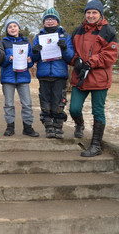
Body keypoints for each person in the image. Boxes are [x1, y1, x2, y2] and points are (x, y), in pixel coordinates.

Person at [69, 0, 118, 157]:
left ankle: (96, 145)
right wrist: (75, 60)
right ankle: (80, 124)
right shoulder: (78, 31)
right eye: (88, 13)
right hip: (80, 78)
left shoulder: (108, 32)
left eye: (94, 13)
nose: (90, 15)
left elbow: (111, 55)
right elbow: (72, 51)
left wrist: (92, 61)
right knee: (74, 108)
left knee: (98, 111)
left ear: (100, 14)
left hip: (99, 79)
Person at [32, 8, 74, 139]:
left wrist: (65, 48)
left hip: (59, 75)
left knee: (59, 102)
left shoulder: (65, 36)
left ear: (57, 21)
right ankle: (48, 126)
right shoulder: (38, 37)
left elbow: (70, 57)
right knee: (45, 102)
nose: (50, 21)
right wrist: (35, 51)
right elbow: (33, 59)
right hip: (44, 75)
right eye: (47, 19)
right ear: (44, 22)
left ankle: (58, 126)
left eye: (53, 19)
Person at [0, 16, 39, 137]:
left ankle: (28, 127)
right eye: (10, 27)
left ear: (19, 28)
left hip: (23, 77)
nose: (12, 28)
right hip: (8, 77)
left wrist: (29, 60)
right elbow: (0, 60)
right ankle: (10, 127)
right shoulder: (3, 42)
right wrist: (8, 58)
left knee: (27, 103)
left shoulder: (26, 41)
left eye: (14, 26)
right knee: (9, 104)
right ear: (7, 30)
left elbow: (31, 61)